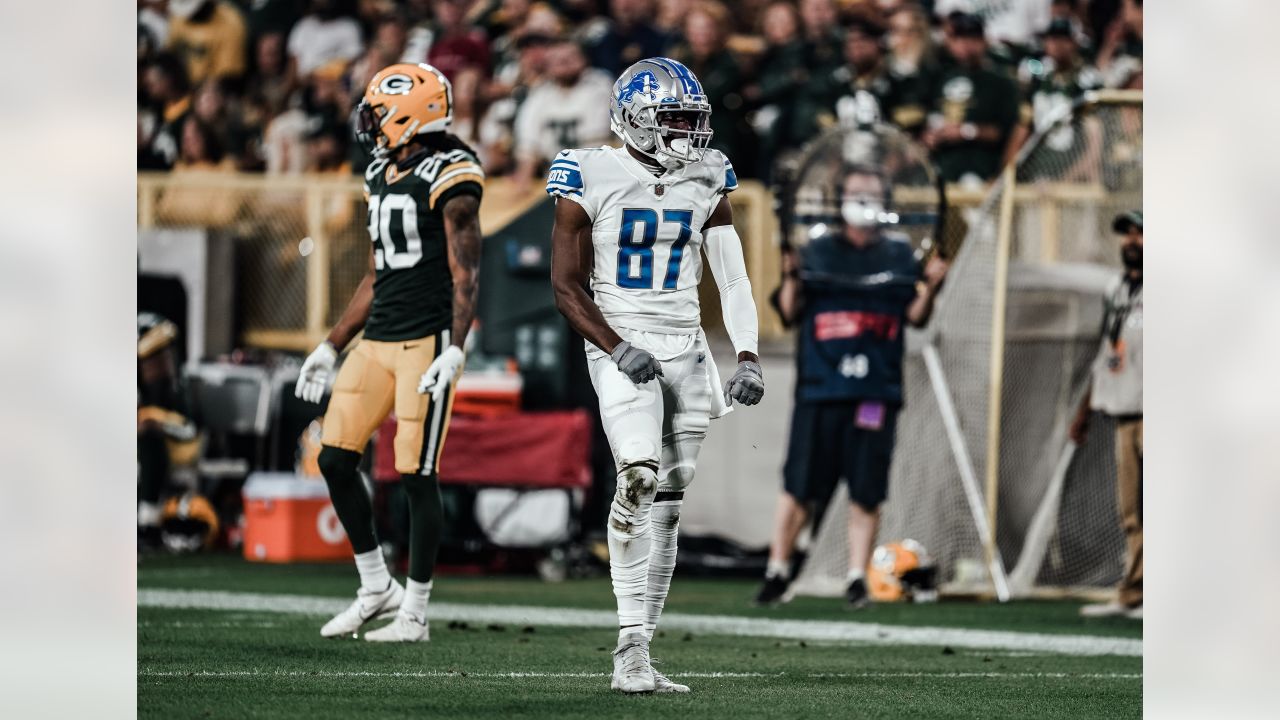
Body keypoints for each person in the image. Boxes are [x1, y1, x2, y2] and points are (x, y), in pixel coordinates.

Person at [549, 58, 763, 693]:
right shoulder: (588, 170)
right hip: (622, 339)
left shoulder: (707, 171)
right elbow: (565, 286)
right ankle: (624, 642)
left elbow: (732, 274)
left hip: (686, 344)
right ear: (632, 119)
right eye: (670, 121)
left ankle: (641, 649)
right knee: (638, 477)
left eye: (691, 122)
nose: (684, 136)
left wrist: (746, 354)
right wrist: (615, 347)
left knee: (670, 502)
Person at [293, 62, 485, 643]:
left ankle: (416, 615)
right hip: (377, 338)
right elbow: (379, 271)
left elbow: (466, 273)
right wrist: (331, 344)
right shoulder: (381, 169)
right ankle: (377, 586)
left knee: (415, 475)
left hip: (426, 343)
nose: (369, 122)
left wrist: (456, 347)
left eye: (378, 111)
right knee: (333, 457)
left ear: (409, 112)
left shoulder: (453, 173)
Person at [754, 165, 948, 608]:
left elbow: (916, 316)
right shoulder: (818, 251)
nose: (865, 202)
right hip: (821, 388)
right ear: (839, 199)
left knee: (866, 488)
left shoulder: (898, 255)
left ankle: (857, 577)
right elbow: (788, 312)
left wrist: (932, 285)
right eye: (857, 193)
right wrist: (790, 274)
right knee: (800, 486)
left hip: (875, 391)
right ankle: (777, 570)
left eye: (873, 194)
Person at [1072, 210, 1143, 620]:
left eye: (1140, 233)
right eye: (1126, 234)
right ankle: (1133, 593)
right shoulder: (1116, 288)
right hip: (1123, 409)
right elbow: (1105, 353)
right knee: (1131, 510)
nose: (1131, 241)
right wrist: (1084, 409)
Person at [924, 12, 1021, 184]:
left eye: (972, 39)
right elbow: (930, 119)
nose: (965, 45)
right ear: (950, 42)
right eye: (959, 39)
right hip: (942, 168)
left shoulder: (1000, 81)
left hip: (980, 170)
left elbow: (1008, 131)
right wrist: (930, 137)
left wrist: (966, 131)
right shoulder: (939, 78)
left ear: (984, 41)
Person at [512, 40, 615, 188]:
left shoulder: (600, 86)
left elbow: (595, 142)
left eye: (570, 57)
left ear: (584, 59)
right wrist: (524, 179)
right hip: (554, 177)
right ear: (547, 66)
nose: (564, 63)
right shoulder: (540, 93)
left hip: (600, 175)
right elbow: (528, 142)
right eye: (556, 60)